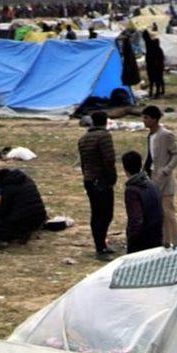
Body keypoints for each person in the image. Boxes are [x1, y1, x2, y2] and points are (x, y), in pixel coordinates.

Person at [77, 110, 118, 259]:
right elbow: (109, 159)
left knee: (96, 213)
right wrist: (112, 178)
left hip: (89, 180)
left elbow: (83, 163)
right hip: (101, 180)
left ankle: (100, 244)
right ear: (106, 121)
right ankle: (101, 247)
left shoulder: (83, 139)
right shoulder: (104, 136)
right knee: (106, 214)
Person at [142, 105, 177, 247]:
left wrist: (167, 169)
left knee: (168, 212)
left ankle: (176, 242)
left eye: (146, 118)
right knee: (159, 212)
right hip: (153, 177)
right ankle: (165, 241)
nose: (144, 120)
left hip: (164, 179)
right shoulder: (151, 136)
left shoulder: (165, 135)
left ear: (154, 119)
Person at [121, 150, 164, 253]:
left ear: (125, 169)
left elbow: (136, 219)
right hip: (157, 235)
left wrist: (131, 239)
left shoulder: (132, 190)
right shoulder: (152, 184)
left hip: (142, 241)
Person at [143, 30, 166, 99]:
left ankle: (155, 92)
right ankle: (158, 91)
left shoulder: (150, 47)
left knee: (154, 79)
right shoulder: (157, 49)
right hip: (155, 65)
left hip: (153, 65)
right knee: (157, 79)